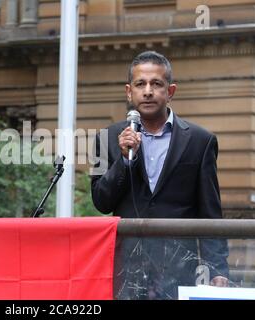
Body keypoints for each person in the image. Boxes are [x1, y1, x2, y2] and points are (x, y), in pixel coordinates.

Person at [91, 51, 229, 299]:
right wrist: (124, 160)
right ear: (128, 91)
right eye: (140, 84)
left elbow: (210, 212)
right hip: (126, 271)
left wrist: (218, 269)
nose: (147, 91)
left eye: (156, 84)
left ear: (171, 91)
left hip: (180, 270)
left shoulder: (200, 141)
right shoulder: (107, 137)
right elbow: (101, 202)